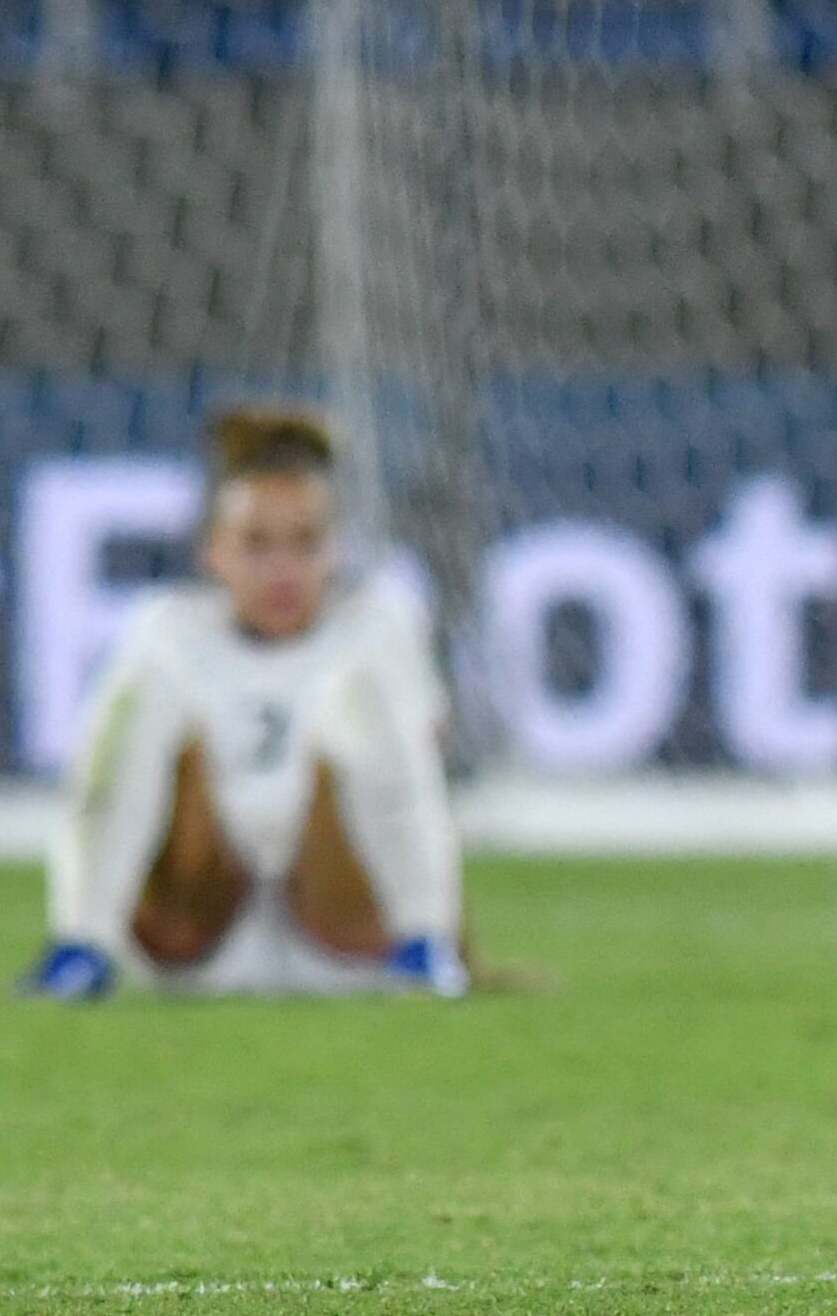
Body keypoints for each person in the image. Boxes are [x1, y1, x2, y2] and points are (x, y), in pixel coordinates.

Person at [28, 410, 492, 1000]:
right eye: (257, 544)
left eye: (305, 544)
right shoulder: (168, 629)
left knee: (364, 698)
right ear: (214, 553)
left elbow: (420, 780)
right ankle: (80, 946)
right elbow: (96, 782)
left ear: (335, 552)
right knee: (142, 695)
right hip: (196, 930)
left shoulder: (379, 623)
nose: (282, 571)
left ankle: (425, 945)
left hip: (343, 935)